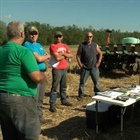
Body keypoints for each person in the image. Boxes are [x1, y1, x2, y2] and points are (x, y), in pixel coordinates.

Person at [0, 21, 46, 140]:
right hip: (20, 99)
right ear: (22, 34)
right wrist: (44, 76)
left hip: (2, 98)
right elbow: (36, 77)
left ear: (8, 35)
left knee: (9, 134)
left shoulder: (1, 50)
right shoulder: (23, 51)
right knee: (29, 134)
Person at [23, 26, 50, 123]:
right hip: (35, 74)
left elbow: (44, 57)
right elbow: (39, 59)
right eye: (31, 33)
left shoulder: (39, 45)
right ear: (27, 34)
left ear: (38, 34)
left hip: (42, 73)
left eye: (35, 33)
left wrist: (45, 56)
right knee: (34, 97)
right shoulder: (27, 44)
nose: (33, 35)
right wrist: (47, 56)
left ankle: (40, 117)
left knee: (41, 98)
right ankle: (33, 119)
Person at [49, 31, 73, 112]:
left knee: (63, 87)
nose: (58, 38)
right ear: (54, 37)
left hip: (64, 68)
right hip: (57, 69)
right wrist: (65, 54)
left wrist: (63, 54)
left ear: (62, 37)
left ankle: (64, 100)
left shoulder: (65, 45)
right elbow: (57, 58)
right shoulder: (52, 46)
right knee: (55, 87)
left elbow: (71, 55)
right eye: (57, 36)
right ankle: (52, 104)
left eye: (60, 36)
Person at [76, 31, 102, 100]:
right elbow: (78, 55)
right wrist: (80, 64)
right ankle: (81, 96)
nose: (89, 38)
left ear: (92, 37)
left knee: (96, 83)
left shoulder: (95, 45)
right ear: (86, 37)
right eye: (88, 36)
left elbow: (100, 53)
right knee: (82, 83)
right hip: (85, 68)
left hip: (94, 67)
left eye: (90, 37)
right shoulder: (82, 45)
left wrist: (99, 61)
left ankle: (97, 95)